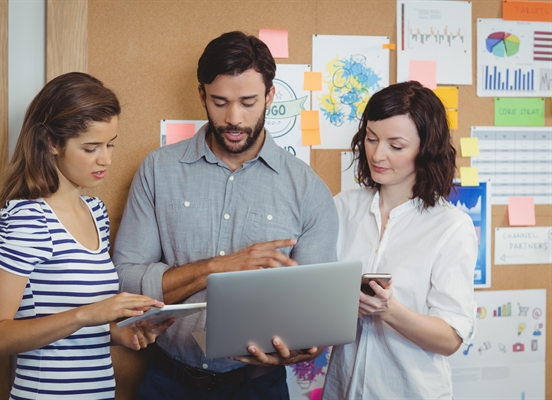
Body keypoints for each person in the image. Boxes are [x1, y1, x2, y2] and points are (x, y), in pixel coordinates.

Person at [113, 31, 339, 399]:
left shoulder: (309, 190)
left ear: (270, 96)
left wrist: (302, 347)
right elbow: (126, 280)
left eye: (249, 102)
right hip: (167, 381)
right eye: (220, 102)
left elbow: (314, 316)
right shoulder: (157, 170)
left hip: (258, 388)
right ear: (201, 95)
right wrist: (219, 267)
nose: (234, 118)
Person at [0, 72, 173, 399]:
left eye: (110, 144)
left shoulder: (96, 212)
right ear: (51, 143)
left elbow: (69, 330)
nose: (105, 159)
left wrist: (118, 333)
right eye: (90, 147)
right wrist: (87, 314)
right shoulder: (27, 219)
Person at [321, 81, 477, 399]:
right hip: (342, 389)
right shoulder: (343, 207)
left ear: (426, 149)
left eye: (396, 145)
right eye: (371, 138)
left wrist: (389, 309)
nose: (378, 154)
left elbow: (450, 339)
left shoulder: (451, 226)